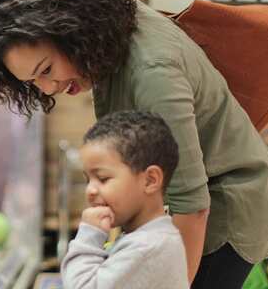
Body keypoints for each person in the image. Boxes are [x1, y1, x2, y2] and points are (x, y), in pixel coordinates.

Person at [0, 0, 268, 287]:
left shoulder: (153, 73)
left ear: (69, 27)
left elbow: (192, 206)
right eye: (32, 81)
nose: (47, 88)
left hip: (231, 204)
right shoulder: (111, 28)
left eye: (47, 69)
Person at [61, 110, 188, 289]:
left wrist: (89, 235)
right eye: (88, 179)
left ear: (150, 180)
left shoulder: (148, 247)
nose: (90, 190)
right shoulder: (145, 238)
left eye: (103, 178)